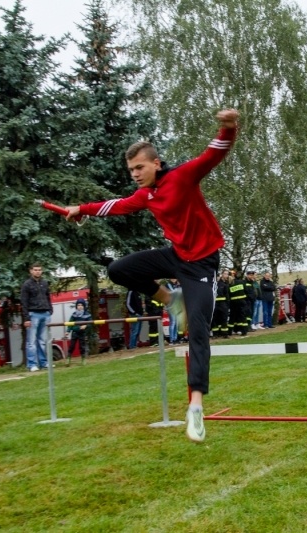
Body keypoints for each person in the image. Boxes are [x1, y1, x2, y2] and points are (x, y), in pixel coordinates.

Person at [65, 108, 239, 442]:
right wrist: (80, 210)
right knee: (118, 269)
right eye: (130, 170)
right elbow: (114, 206)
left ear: (156, 163)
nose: (134, 174)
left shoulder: (182, 177)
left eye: (139, 167)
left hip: (201, 264)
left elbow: (212, 153)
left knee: (198, 330)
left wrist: (228, 127)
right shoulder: (145, 195)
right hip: (175, 257)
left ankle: (196, 407)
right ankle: (170, 300)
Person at [20, 263, 52, 372]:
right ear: (31, 271)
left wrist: (50, 310)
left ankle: (44, 363)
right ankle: (32, 364)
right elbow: (24, 302)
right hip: (33, 314)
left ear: (42, 271)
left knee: (42, 341)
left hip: (45, 313)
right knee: (31, 341)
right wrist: (26, 318)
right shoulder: (27, 285)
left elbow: (48, 297)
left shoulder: (44, 283)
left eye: (39, 270)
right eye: (35, 270)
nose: (37, 271)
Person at [65, 299, 92, 365]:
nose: (80, 306)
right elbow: (70, 323)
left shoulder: (87, 315)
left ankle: (83, 359)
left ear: (84, 306)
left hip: (82, 333)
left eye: (81, 305)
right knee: (71, 346)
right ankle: (68, 358)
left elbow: (90, 323)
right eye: (78, 305)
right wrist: (68, 331)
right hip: (75, 332)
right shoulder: (74, 314)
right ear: (76, 306)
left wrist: (85, 325)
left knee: (82, 346)